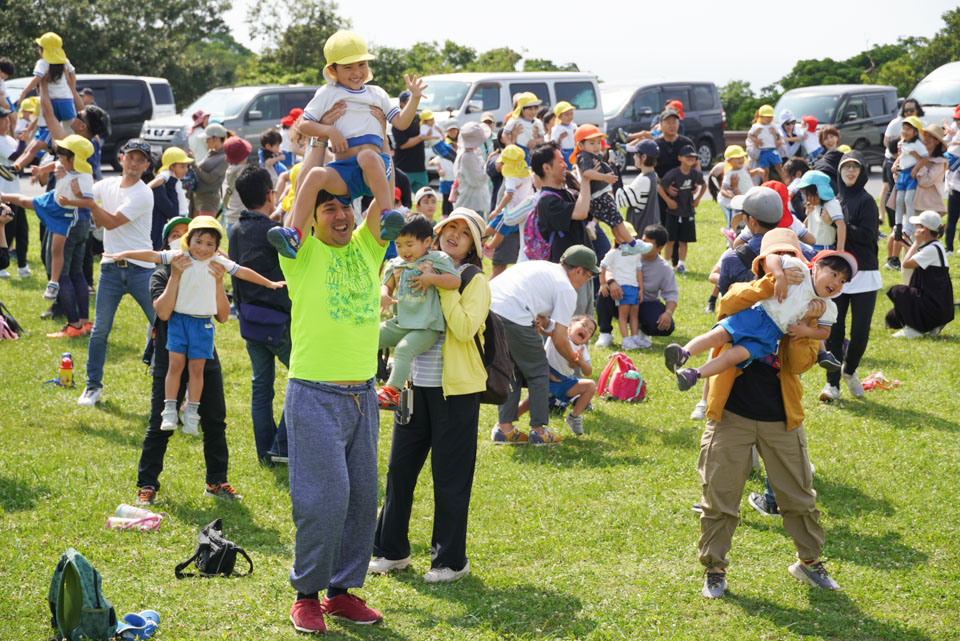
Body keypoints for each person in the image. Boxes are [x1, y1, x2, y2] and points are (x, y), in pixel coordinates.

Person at [281, 138, 392, 634]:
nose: (341, 214)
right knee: (324, 497)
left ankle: (343, 593)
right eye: (329, 210)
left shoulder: (370, 249)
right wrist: (326, 156)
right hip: (314, 394)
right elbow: (309, 183)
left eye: (347, 206)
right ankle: (306, 594)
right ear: (312, 221)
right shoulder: (299, 256)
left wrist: (366, 157)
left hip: (363, 395)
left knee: (362, 497)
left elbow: (379, 188)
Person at [697, 256, 839, 598]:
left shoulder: (814, 310)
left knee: (799, 496)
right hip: (731, 413)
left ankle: (809, 562)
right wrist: (773, 281)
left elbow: (798, 364)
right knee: (719, 495)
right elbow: (726, 305)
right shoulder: (750, 289)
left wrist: (802, 325)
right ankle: (715, 568)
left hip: (781, 417)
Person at [371, 208, 490, 583]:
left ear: (473, 245)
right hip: (412, 388)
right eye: (449, 228)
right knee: (399, 471)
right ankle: (392, 551)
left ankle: (451, 561)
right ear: (434, 236)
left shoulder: (473, 280)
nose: (454, 235)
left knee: (449, 477)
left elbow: (464, 327)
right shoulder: (412, 265)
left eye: (464, 232)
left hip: (454, 392)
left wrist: (440, 285)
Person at [103, 216, 285, 433]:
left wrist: (269, 283)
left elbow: (242, 271)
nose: (203, 248)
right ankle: (169, 410)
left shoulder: (218, 262)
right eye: (198, 242)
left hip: (203, 325)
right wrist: (123, 255)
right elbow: (152, 255)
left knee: (197, 369)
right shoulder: (180, 257)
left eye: (210, 244)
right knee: (176, 365)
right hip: (179, 321)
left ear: (217, 247)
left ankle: (192, 414)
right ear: (189, 241)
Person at [270, 30, 422, 257]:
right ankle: (294, 234)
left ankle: (387, 215)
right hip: (345, 171)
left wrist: (414, 99)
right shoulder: (327, 93)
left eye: (361, 64)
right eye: (348, 67)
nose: (356, 72)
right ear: (333, 70)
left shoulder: (377, 93)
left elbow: (400, 122)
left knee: (367, 157)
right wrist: (329, 131)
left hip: (375, 169)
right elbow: (305, 125)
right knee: (313, 176)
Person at [665, 229, 852, 392]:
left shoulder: (828, 306)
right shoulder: (799, 270)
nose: (836, 282)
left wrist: (806, 330)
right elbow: (772, 258)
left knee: (732, 356)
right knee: (719, 335)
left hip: (772, 335)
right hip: (757, 315)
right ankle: (684, 352)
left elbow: (824, 332)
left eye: (842, 281)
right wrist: (778, 276)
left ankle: (694, 375)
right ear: (816, 267)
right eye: (834, 274)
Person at [134, 217, 239, 506]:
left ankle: (217, 480)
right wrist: (177, 276)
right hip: (169, 356)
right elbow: (164, 313)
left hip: (203, 355)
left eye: (189, 235)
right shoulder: (161, 274)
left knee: (215, 419)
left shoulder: (210, 270)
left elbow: (221, 314)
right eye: (179, 236)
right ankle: (147, 484)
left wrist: (218, 276)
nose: (192, 244)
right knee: (160, 421)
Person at [489, 245, 599, 445]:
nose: (586, 282)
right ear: (578, 271)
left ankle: (505, 429)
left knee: (514, 370)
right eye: (588, 276)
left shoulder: (543, 267)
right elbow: (559, 338)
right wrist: (572, 358)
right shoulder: (566, 288)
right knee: (539, 371)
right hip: (513, 316)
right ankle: (539, 431)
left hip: (488, 311)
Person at [74, 139, 155, 406]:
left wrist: (89, 204)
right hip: (110, 269)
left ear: (146, 166)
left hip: (141, 269)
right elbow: (85, 184)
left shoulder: (143, 193)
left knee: (163, 324)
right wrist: (62, 170)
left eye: (139, 159)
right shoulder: (106, 185)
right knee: (99, 331)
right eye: (130, 157)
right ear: (121, 159)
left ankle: (173, 378)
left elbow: (110, 222)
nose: (133, 162)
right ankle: (92, 386)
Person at [229, 166, 293, 464]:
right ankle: (281, 446)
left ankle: (265, 452)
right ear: (271, 194)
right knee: (303, 380)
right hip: (279, 321)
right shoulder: (272, 232)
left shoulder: (236, 230)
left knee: (261, 387)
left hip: (250, 321)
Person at [377, 214, 461, 407]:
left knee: (403, 350)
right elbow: (387, 285)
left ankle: (392, 392)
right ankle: (358, 379)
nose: (404, 250)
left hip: (426, 326)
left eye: (409, 244)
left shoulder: (436, 260)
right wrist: (384, 294)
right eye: (398, 244)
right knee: (369, 337)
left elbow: (454, 281)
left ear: (427, 242)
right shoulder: (395, 263)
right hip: (401, 322)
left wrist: (431, 279)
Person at [1, 134, 94, 301]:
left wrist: (74, 198)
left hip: (63, 214)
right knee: (24, 201)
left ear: (75, 158)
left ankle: (53, 283)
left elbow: (89, 202)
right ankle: (3, 196)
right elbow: (54, 164)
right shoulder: (64, 164)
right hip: (51, 200)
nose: (59, 158)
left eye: (62, 155)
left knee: (56, 249)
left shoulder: (84, 177)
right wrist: (41, 170)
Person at [819, 151, 880, 403]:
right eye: (846, 167)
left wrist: (839, 224)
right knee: (835, 328)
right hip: (837, 273)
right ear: (839, 173)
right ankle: (832, 384)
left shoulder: (867, 201)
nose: (850, 171)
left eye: (855, 167)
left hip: (865, 272)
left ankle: (850, 370)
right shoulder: (832, 200)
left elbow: (868, 236)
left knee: (860, 332)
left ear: (862, 171)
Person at [531, 142, 596, 315]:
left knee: (585, 321)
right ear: (546, 168)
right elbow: (581, 212)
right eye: (560, 161)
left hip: (583, 270)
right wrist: (586, 179)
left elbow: (589, 211)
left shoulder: (566, 194)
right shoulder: (547, 202)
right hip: (568, 274)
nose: (565, 165)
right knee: (573, 323)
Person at [571, 124, 646, 254]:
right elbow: (587, 173)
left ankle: (623, 244)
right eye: (592, 143)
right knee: (618, 221)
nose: (596, 146)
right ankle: (633, 244)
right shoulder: (584, 156)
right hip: (600, 197)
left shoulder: (590, 155)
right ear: (581, 146)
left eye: (598, 143)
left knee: (614, 223)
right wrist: (604, 177)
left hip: (599, 196)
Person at [8, 32, 77, 173]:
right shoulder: (65, 61)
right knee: (71, 133)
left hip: (51, 103)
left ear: (43, 49)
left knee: (48, 135)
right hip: (67, 101)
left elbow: (36, 79)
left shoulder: (43, 63)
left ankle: (19, 165)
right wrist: (71, 90)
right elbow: (73, 77)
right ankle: (70, 156)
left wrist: (24, 92)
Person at [886, 210, 954, 338]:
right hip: (938, 303)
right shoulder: (936, 245)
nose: (915, 228)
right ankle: (930, 324)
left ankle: (914, 328)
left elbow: (906, 263)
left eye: (918, 226)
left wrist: (916, 242)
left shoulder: (931, 249)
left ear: (925, 230)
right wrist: (906, 243)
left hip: (933, 304)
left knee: (898, 291)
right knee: (893, 317)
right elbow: (917, 258)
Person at [599, 231, 653, 349]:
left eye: (632, 237)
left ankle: (634, 337)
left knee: (634, 314)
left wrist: (641, 289)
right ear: (617, 240)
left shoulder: (636, 254)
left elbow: (639, 271)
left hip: (634, 288)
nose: (630, 240)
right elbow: (602, 266)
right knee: (623, 315)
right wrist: (603, 283)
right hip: (622, 288)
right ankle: (625, 340)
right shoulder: (614, 253)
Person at [658, 143, 705, 274]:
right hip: (673, 212)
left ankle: (681, 265)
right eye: (687, 156)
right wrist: (668, 201)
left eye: (693, 157)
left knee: (684, 240)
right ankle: (666, 264)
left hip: (687, 211)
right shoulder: (674, 173)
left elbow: (704, 185)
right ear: (680, 158)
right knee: (670, 240)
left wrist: (698, 199)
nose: (690, 158)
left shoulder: (695, 173)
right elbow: (660, 187)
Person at [147, 147, 192, 249]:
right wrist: (146, 189)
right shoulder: (165, 178)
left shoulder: (175, 179)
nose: (186, 170)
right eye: (182, 167)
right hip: (171, 221)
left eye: (186, 166)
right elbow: (158, 180)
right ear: (172, 167)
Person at [616, 139, 661, 233]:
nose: (633, 157)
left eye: (636, 154)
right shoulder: (651, 175)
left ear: (644, 157)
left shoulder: (645, 180)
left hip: (641, 234)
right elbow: (628, 191)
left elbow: (621, 199)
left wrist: (614, 174)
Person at [717, 145, 760, 234]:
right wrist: (732, 197)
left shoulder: (744, 169)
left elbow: (746, 180)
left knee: (744, 221)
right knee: (733, 220)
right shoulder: (730, 174)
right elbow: (723, 190)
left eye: (741, 157)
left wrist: (756, 171)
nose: (741, 160)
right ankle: (730, 238)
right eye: (737, 158)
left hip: (744, 200)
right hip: (735, 202)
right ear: (729, 161)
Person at [391, 91, 429, 193]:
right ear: (401, 104)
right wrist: (421, 137)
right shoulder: (397, 121)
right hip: (404, 168)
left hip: (420, 167)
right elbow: (403, 145)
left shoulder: (420, 118)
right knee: (402, 202)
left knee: (424, 198)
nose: (412, 103)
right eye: (409, 101)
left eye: (414, 100)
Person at [798, 170, 845, 251]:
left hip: (824, 249)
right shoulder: (815, 205)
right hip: (811, 248)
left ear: (819, 191)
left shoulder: (831, 204)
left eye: (808, 195)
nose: (807, 199)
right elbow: (805, 227)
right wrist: (808, 215)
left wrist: (840, 249)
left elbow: (841, 225)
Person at [453, 122, 490, 216]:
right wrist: (489, 165)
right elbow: (476, 181)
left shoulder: (471, 152)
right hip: (471, 205)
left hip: (472, 203)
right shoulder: (468, 157)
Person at [192, 123, 227, 217]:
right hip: (198, 198)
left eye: (207, 139)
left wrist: (195, 166)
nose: (205, 142)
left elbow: (210, 178)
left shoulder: (225, 158)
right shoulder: (211, 153)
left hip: (209, 200)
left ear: (217, 139)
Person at [503, 92, 545, 162]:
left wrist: (535, 141)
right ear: (521, 109)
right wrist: (511, 147)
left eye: (535, 109)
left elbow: (542, 138)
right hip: (518, 151)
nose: (533, 112)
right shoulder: (515, 121)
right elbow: (504, 134)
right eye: (530, 109)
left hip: (533, 152)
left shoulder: (538, 123)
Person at [748, 105, 784, 183]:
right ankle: (766, 185)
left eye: (771, 117)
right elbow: (749, 135)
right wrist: (755, 140)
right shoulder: (756, 126)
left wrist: (779, 141)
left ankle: (787, 182)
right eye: (766, 117)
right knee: (765, 170)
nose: (769, 119)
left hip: (773, 149)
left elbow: (780, 136)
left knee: (779, 166)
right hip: (762, 151)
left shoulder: (773, 126)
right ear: (760, 116)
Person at [552, 101, 576, 166]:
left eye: (571, 114)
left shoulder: (573, 126)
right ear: (559, 117)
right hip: (564, 152)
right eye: (567, 115)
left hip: (574, 150)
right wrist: (560, 138)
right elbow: (553, 144)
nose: (570, 117)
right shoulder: (557, 129)